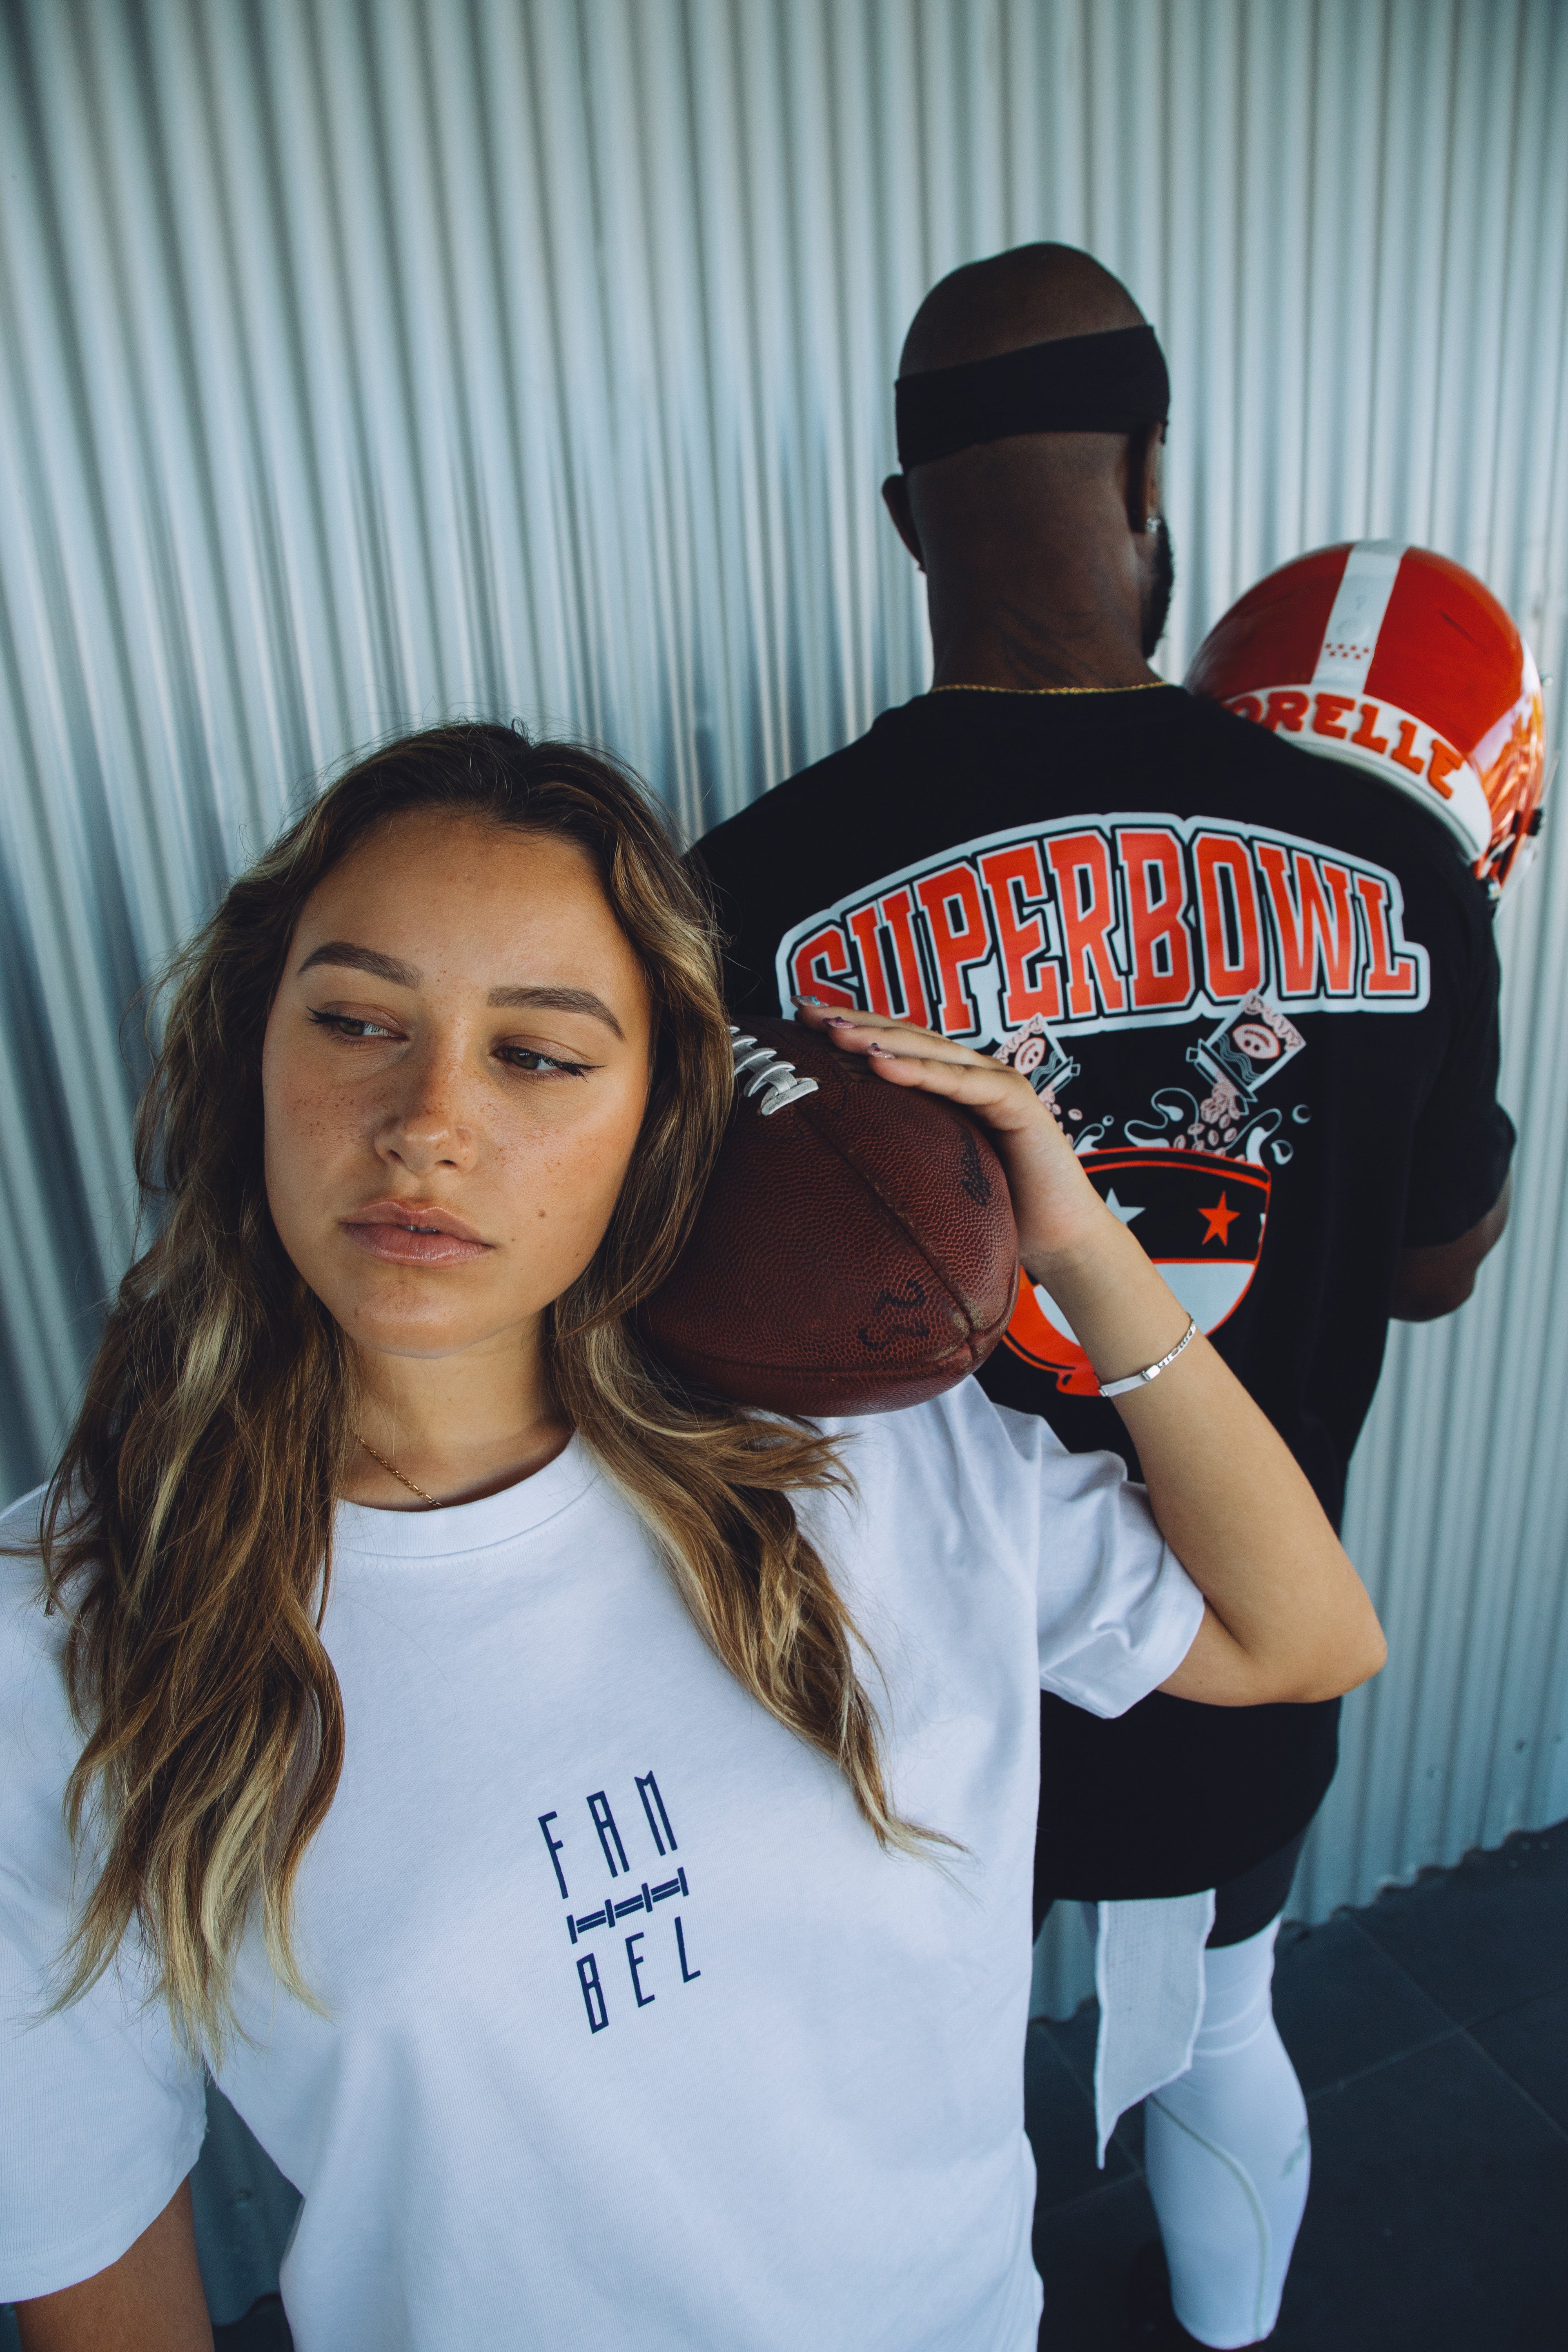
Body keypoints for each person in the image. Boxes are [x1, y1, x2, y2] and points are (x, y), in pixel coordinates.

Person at [0, 722, 1382, 2352]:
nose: (426, 1123)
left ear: (665, 1110)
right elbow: (90, 2235)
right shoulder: (71, 1627)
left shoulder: (865, 1454)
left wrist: (1074, 1236)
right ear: (253, 1053)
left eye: (538, 1054)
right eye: (359, 1022)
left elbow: (1304, 1638)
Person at [691, 245, 1514, 2347]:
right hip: (1241, 1618)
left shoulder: (739, 888)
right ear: (1152, 476)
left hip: (902, 1667)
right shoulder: (1399, 864)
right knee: (1219, 2020)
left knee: (907, 2084)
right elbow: (1431, 1271)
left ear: (905, 523)